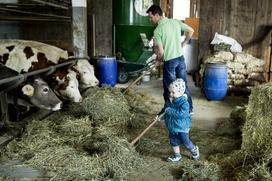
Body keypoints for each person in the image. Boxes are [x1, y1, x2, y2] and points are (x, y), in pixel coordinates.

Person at [146, 5, 194, 115]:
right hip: (180, 58)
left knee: (169, 87)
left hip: (170, 62)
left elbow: (161, 52)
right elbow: (191, 30)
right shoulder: (175, 22)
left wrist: (158, 60)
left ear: (157, 15)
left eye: (151, 17)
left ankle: (167, 109)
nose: (150, 19)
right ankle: (189, 109)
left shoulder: (157, 30)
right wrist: (184, 42)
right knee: (183, 84)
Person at [159, 78, 199, 162]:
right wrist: (160, 117)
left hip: (182, 127)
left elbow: (181, 114)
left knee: (186, 142)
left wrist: (169, 110)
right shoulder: (172, 101)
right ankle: (177, 155)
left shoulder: (185, 103)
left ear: (181, 92)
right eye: (170, 92)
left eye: (173, 92)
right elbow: (167, 113)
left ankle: (194, 149)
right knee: (173, 141)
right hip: (173, 126)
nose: (171, 94)